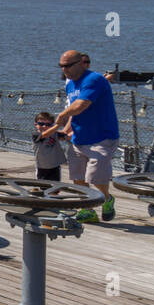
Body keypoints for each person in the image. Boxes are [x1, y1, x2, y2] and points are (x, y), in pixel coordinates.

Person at [40, 50, 117, 222]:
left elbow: (81, 105)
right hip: (78, 138)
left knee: (96, 177)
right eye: (61, 66)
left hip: (101, 137)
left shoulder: (94, 79)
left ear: (81, 63)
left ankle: (106, 198)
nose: (64, 69)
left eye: (68, 66)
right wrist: (67, 130)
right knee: (78, 177)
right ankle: (87, 208)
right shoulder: (70, 84)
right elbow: (74, 113)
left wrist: (60, 117)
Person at [31, 110, 65, 181]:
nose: (44, 126)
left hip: (55, 166)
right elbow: (45, 135)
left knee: (55, 187)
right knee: (43, 186)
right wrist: (57, 125)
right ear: (35, 124)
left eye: (48, 125)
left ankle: (54, 192)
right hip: (42, 167)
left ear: (52, 125)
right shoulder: (36, 135)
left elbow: (66, 135)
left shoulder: (55, 133)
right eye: (41, 124)